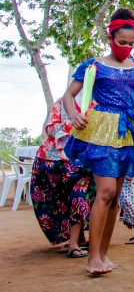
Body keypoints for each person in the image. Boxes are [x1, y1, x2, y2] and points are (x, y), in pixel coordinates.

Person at [62, 8, 134, 275]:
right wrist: (73, 114)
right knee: (105, 192)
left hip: (128, 132)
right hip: (101, 129)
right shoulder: (94, 66)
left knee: (115, 197)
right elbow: (69, 95)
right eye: (121, 42)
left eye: (131, 44)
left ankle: (103, 254)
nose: (126, 47)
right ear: (109, 39)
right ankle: (92, 258)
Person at [30, 97, 94, 258]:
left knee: (79, 197)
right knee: (60, 200)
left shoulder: (98, 105)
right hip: (52, 160)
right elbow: (50, 129)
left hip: (82, 161)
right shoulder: (62, 103)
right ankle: (77, 239)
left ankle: (73, 244)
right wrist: (72, 122)